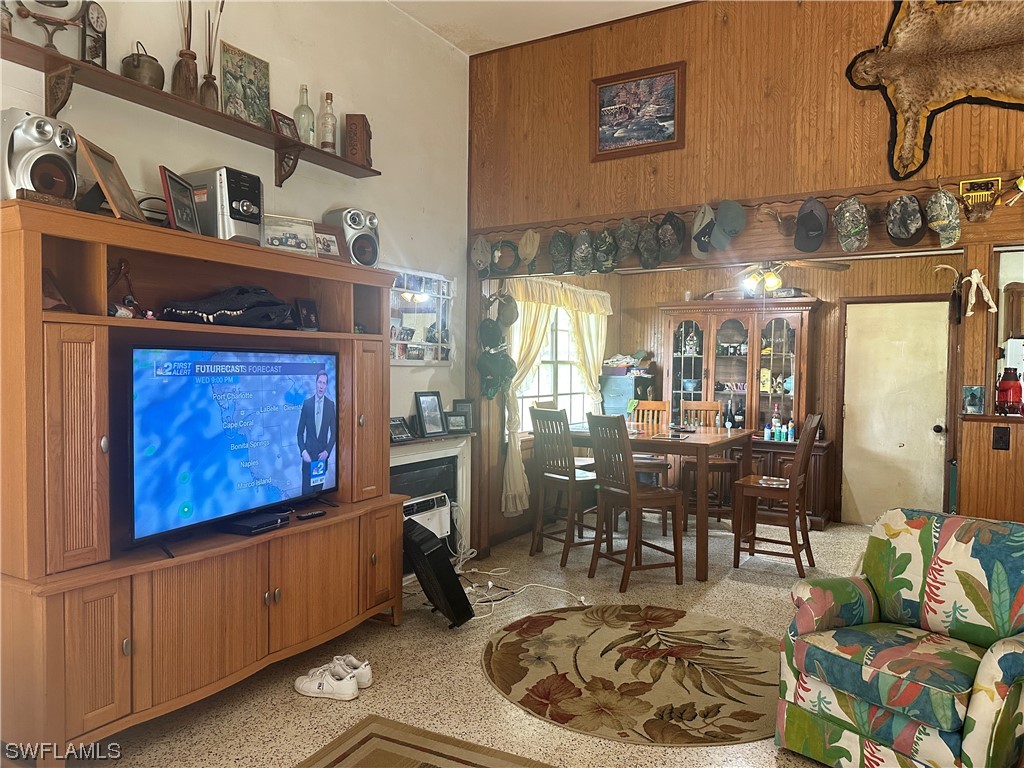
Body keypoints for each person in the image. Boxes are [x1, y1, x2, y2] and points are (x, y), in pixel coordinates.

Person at [296, 370, 336, 496]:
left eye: (324, 383)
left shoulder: (330, 405)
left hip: (320, 460)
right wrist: (303, 452)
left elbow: (334, 433)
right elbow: (299, 433)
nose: (321, 386)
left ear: (326, 386)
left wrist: (327, 452)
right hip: (308, 460)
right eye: (319, 382)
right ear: (316, 383)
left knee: (317, 498)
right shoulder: (307, 404)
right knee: (305, 498)